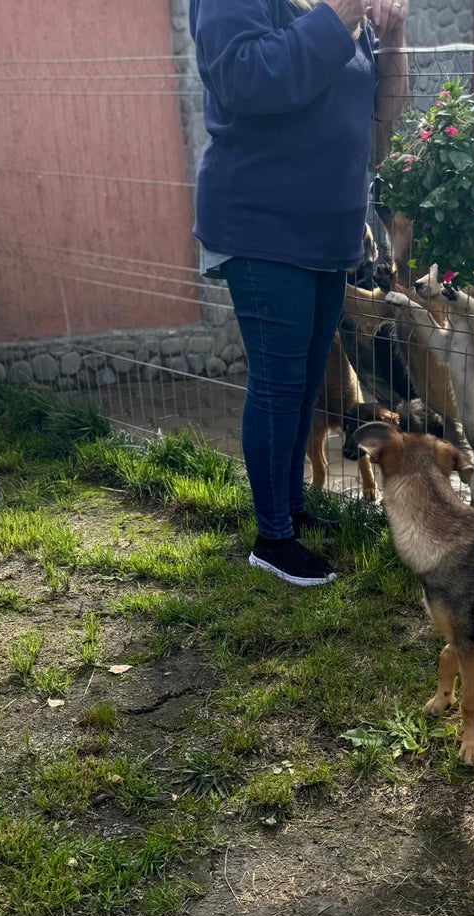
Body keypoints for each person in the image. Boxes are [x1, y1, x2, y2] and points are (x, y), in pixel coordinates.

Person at [190, 0, 409, 585]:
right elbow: (246, 78)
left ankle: (290, 511)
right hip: (264, 226)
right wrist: (339, 16)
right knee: (279, 384)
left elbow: (380, 116)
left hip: (328, 232)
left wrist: (393, 33)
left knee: (305, 384)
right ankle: (273, 538)